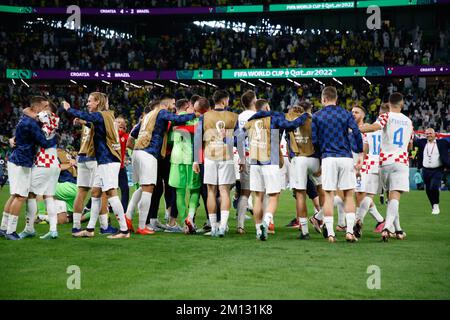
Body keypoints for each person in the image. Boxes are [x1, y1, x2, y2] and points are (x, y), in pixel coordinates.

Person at [63, 92, 129, 239]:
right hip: (104, 161)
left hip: (108, 160)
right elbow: (95, 125)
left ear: (98, 102)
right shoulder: (106, 116)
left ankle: (124, 231)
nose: (87, 104)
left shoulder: (102, 115)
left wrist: (68, 109)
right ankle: (90, 229)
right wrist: (83, 122)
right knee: (95, 192)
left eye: (90, 101)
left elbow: (90, 118)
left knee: (111, 193)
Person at [242, 99, 310, 241]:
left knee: (258, 198)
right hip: (270, 161)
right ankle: (266, 223)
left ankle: (258, 230)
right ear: (267, 107)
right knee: (273, 196)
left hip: (254, 162)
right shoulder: (273, 119)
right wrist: (305, 115)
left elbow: (237, 138)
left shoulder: (250, 122)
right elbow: (291, 125)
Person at [126, 99, 195, 235]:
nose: (173, 106)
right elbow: (176, 119)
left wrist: (140, 148)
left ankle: (127, 216)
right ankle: (141, 226)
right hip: (149, 154)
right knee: (149, 188)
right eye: (171, 103)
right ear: (164, 104)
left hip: (137, 152)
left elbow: (131, 137)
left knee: (142, 187)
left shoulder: (146, 117)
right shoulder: (161, 112)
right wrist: (196, 115)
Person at [312, 86, 363, 243]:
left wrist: (321, 156)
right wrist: (360, 153)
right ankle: (349, 232)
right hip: (346, 157)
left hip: (328, 158)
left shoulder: (317, 116)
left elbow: (314, 141)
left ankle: (332, 233)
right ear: (336, 98)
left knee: (329, 195)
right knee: (348, 195)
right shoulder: (346, 114)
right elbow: (356, 132)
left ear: (324, 99)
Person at [1, 96, 56, 240]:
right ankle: (10, 231)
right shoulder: (31, 124)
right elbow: (44, 142)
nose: (45, 109)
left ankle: (3, 227)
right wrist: (54, 137)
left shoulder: (26, 118)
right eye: (44, 106)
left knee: (14, 195)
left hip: (16, 160)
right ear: (37, 108)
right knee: (20, 197)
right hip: (22, 162)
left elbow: (27, 110)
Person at [361, 92, 414, 241]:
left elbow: (374, 127)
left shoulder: (386, 116)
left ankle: (396, 229)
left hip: (385, 162)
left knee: (389, 195)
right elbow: (410, 144)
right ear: (402, 104)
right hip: (401, 161)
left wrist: (359, 128)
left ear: (389, 104)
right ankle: (387, 228)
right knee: (394, 197)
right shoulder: (409, 121)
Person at [193, 90, 238, 237]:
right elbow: (239, 140)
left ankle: (213, 227)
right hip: (226, 156)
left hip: (210, 157)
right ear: (224, 101)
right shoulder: (233, 117)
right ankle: (223, 226)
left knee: (211, 191)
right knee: (224, 191)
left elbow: (198, 139)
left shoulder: (205, 117)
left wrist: (196, 160)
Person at [19, 101, 61, 240]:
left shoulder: (45, 115)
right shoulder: (55, 120)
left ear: (49, 109)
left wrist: (36, 109)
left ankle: (29, 228)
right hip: (54, 163)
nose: (40, 109)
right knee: (49, 196)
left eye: (44, 106)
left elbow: (26, 110)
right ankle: (53, 230)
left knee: (31, 194)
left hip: (43, 162)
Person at [70, 96, 112, 236]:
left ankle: (76, 226)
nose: (87, 103)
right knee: (103, 193)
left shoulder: (88, 119)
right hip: (94, 158)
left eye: (89, 101)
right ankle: (104, 226)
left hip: (82, 157)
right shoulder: (99, 117)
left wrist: (81, 121)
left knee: (81, 191)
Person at [285, 101, 323, 240]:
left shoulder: (289, 121)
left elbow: (288, 144)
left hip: (299, 159)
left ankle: (305, 231)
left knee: (300, 195)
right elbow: (319, 142)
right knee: (323, 190)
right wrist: (321, 163)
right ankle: (324, 220)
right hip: (314, 159)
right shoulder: (314, 120)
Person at [351, 103, 386, 238]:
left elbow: (364, 148)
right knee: (369, 197)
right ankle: (386, 224)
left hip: (367, 164)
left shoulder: (365, 128)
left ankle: (356, 222)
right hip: (381, 164)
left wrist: (360, 163)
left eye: (356, 112)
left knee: (360, 196)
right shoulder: (383, 129)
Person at [168, 98, 201, 234]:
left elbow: (169, 139)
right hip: (191, 158)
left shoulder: (172, 120)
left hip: (176, 159)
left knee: (179, 192)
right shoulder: (194, 118)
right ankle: (190, 218)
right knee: (195, 190)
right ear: (187, 106)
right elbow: (199, 131)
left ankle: (184, 224)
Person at [235, 90, 257, 234]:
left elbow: (238, 139)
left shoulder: (240, 117)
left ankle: (240, 225)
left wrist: (241, 158)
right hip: (260, 157)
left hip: (246, 157)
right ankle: (265, 225)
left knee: (244, 192)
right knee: (263, 192)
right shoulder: (259, 115)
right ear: (254, 101)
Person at [413, 127, 449, 214]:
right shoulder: (422, 142)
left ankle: (436, 205)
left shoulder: (442, 142)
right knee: (428, 189)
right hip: (425, 170)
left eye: (430, 133)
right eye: (427, 134)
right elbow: (412, 140)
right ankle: (433, 205)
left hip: (437, 170)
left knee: (434, 186)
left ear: (434, 134)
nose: (429, 135)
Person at [116, 115, 130, 213]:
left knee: (125, 189)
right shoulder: (110, 135)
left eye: (122, 123)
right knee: (104, 191)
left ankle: (123, 211)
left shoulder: (125, 136)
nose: (120, 124)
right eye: (118, 122)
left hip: (120, 167)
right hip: (111, 167)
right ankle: (88, 207)